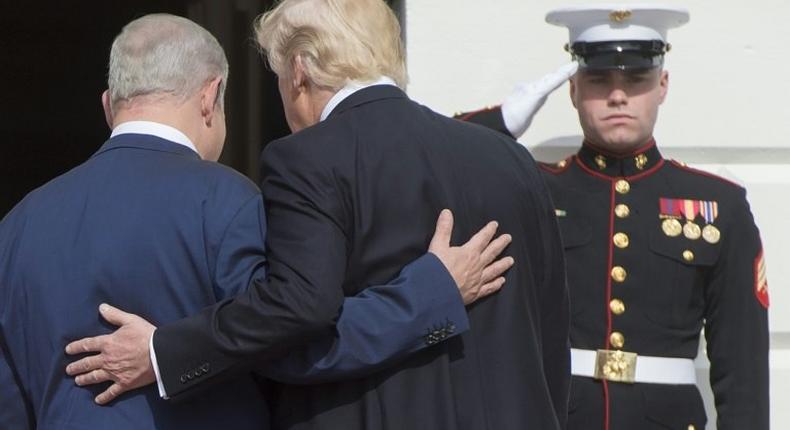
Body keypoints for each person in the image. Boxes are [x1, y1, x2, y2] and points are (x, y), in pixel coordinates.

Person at [65, 1, 571, 429]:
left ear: (300, 70)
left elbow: (296, 317)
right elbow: (550, 335)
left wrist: (164, 352)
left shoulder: (306, 158)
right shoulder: (510, 159)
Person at [460, 5, 770, 429]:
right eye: (599, 79)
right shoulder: (532, 190)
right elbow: (430, 168)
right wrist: (501, 122)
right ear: (572, 90)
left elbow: (743, 371)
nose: (618, 95)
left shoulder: (720, 206)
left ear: (662, 85)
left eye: (636, 79)